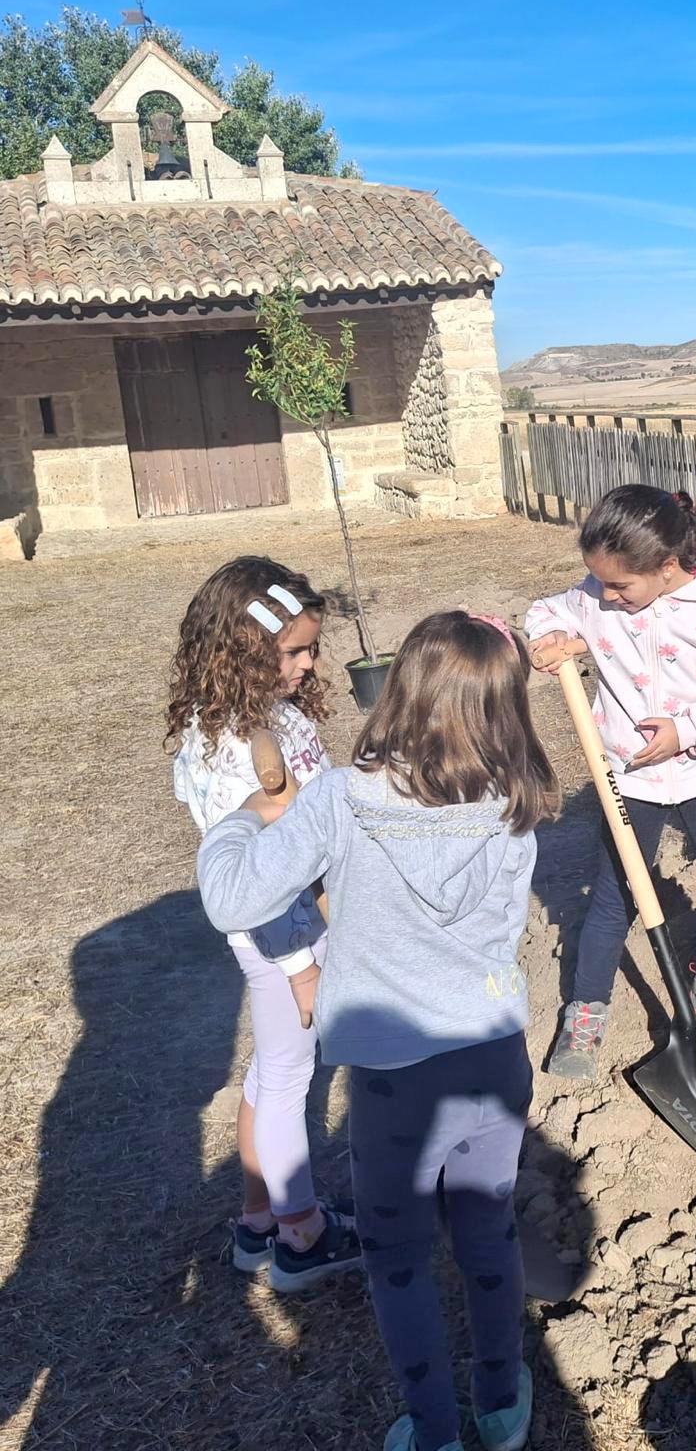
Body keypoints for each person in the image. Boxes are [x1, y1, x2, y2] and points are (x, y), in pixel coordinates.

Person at [197, 612, 558, 1451]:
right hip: (494, 1060)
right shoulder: (520, 798)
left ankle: (432, 1430)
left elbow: (232, 899)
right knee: (488, 1227)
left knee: (399, 1255)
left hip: (397, 1078)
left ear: (401, 689)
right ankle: (502, 1405)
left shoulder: (340, 800)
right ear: (505, 708)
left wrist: (247, 819)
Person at [525, 486, 696, 1080]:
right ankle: (587, 1006)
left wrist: (687, 728)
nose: (606, 596)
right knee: (615, 894)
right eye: (600, 584)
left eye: (619, 587)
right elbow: (547, 609)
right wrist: (547, 640)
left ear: (667, 567)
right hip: (629, 776)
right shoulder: (599, 594)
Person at [167, 556, 362, 1291]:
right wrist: (303, 966)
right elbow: (256, 882)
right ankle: (302, 1236)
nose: (309, 662)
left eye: (311, 645)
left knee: (270, 1072)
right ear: (241, 651)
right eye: (294, 651)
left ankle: (258, 1223)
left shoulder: (257, 716)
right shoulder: (232, 751)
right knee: (288, 1080)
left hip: (297, 932)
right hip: (284, 939)